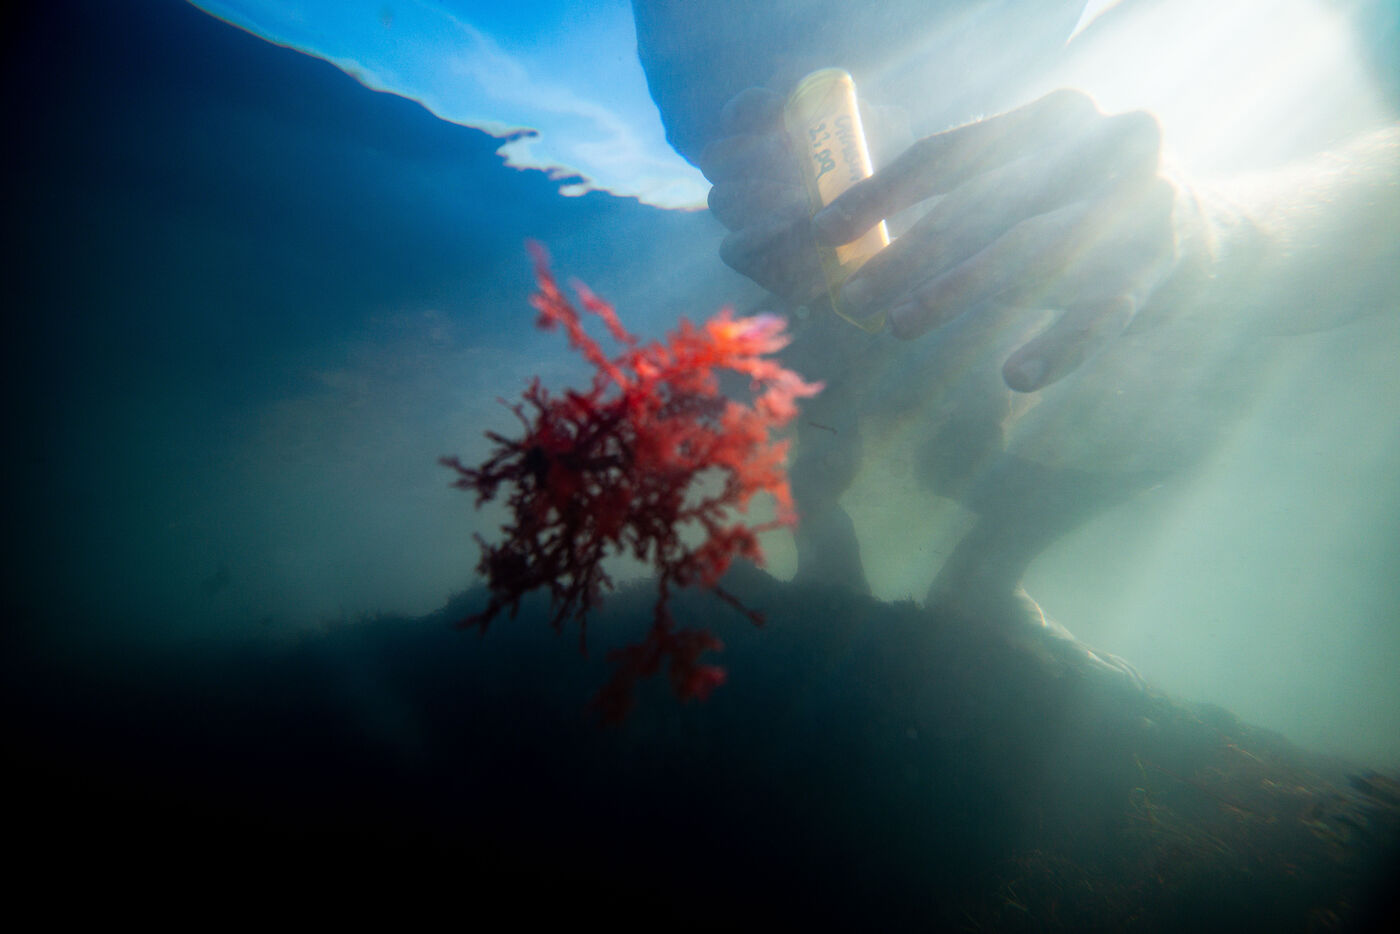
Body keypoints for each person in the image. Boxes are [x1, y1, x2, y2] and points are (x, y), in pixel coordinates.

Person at [630, 0, 1400, 678]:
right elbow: (704, 101)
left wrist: (1207, 232)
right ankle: (849, 532)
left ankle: (985, 570)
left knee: (1160, 355)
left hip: (1020, 205)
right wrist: (780, 161)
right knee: (825, 358)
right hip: (891, 225)